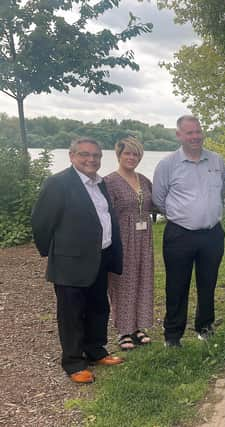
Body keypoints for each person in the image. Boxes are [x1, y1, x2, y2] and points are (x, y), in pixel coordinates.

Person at [31, 138, 124, 384]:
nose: (91, 160)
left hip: (100, 256)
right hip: (69, 261)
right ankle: (73, 362)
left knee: (98, 307)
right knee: (71, 313)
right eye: (85, 154)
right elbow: (41, 223)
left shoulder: (99, 183)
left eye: (96, 155)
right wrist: (54, 253)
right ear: (72, 156)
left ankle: (95, 350)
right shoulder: (58, 183)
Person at [153, 115, 225, 347]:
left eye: (198, 131)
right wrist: (182, 215)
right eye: (189, 133)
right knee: (176, 286)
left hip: (212, 234)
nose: (195, 136)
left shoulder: (217, 161)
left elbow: (222, 192)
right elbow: (159, 199)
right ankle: (173, 336)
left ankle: (205, 328)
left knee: (208, 283)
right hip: (180, 235)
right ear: (179, 135)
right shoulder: (167, 164)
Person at [104, 136, 154, 351]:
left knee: (143, 279)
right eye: (127, 153)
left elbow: (157, 204)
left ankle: (138, 327)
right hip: (122, 238)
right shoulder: (109, 181)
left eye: (136, 154)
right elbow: (104, 214)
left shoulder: (143, 180)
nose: (131, 157)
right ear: (119, 155)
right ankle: (123, 331)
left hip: (144, 239)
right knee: (122, 282)